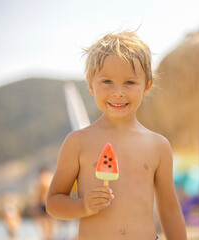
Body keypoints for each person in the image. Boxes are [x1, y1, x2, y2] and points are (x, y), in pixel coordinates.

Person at [46, 31, 187, 240]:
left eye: (129, 82)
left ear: (147, 86)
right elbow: (53, 203)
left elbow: (170, 210)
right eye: (107, 82)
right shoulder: (78, 142)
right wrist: (83, 206)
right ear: (91, 84)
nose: (118, 92)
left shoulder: (158, 146)